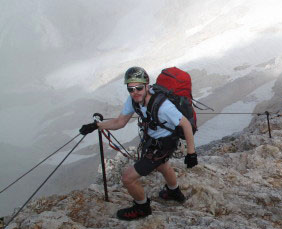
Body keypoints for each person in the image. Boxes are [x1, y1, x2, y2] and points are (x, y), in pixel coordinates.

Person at [79, 67, 197, 220]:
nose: (135, 92)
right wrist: (96, 126)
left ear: (147, 85)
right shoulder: (134, 100)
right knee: (162, 165)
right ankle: (174, 192)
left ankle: (142, 207)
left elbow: (186, 124)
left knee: (128, 178)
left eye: (139, 88)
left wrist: (191, 153)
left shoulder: (163, 106)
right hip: (154, 140)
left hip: (165, 143)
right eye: (131, 89)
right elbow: (120, 122)